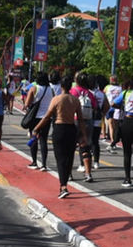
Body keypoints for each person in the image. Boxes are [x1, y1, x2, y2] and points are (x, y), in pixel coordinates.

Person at [32, 69, 84, 199]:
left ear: (61, 86)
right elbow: (81, 119)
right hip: (71, 129)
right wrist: (83, 134)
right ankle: (66, 180)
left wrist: (36, 128)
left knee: (60, 158)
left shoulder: (56, 99)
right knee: (69, 157)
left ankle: (63, 186)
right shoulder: (75, 100)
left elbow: (47, 117)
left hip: (59, 129)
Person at [23, 72, 55, 170]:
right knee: (43, 140)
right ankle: (44, 164)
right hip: (46, 118)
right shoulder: (51, 89)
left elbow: (27, 103)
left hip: (35, 117)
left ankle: (34, 162)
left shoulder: (34, 88)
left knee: (34, 139)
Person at [71, 72, 97, 182]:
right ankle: (88, 173)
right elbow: (95, 107)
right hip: (88, 122)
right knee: (85, 147)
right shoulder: (90, 93)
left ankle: (68, 174)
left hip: (76, 121)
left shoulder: (73, 91)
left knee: (71, 148)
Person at [104, 75, 122, 151]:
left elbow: (104, 94)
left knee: (112, 125)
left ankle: (113, 140)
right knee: (114, 125)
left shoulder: (108, 87)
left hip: (112, 106)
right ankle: (113, 140)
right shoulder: (120, 88)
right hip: (115, 107)